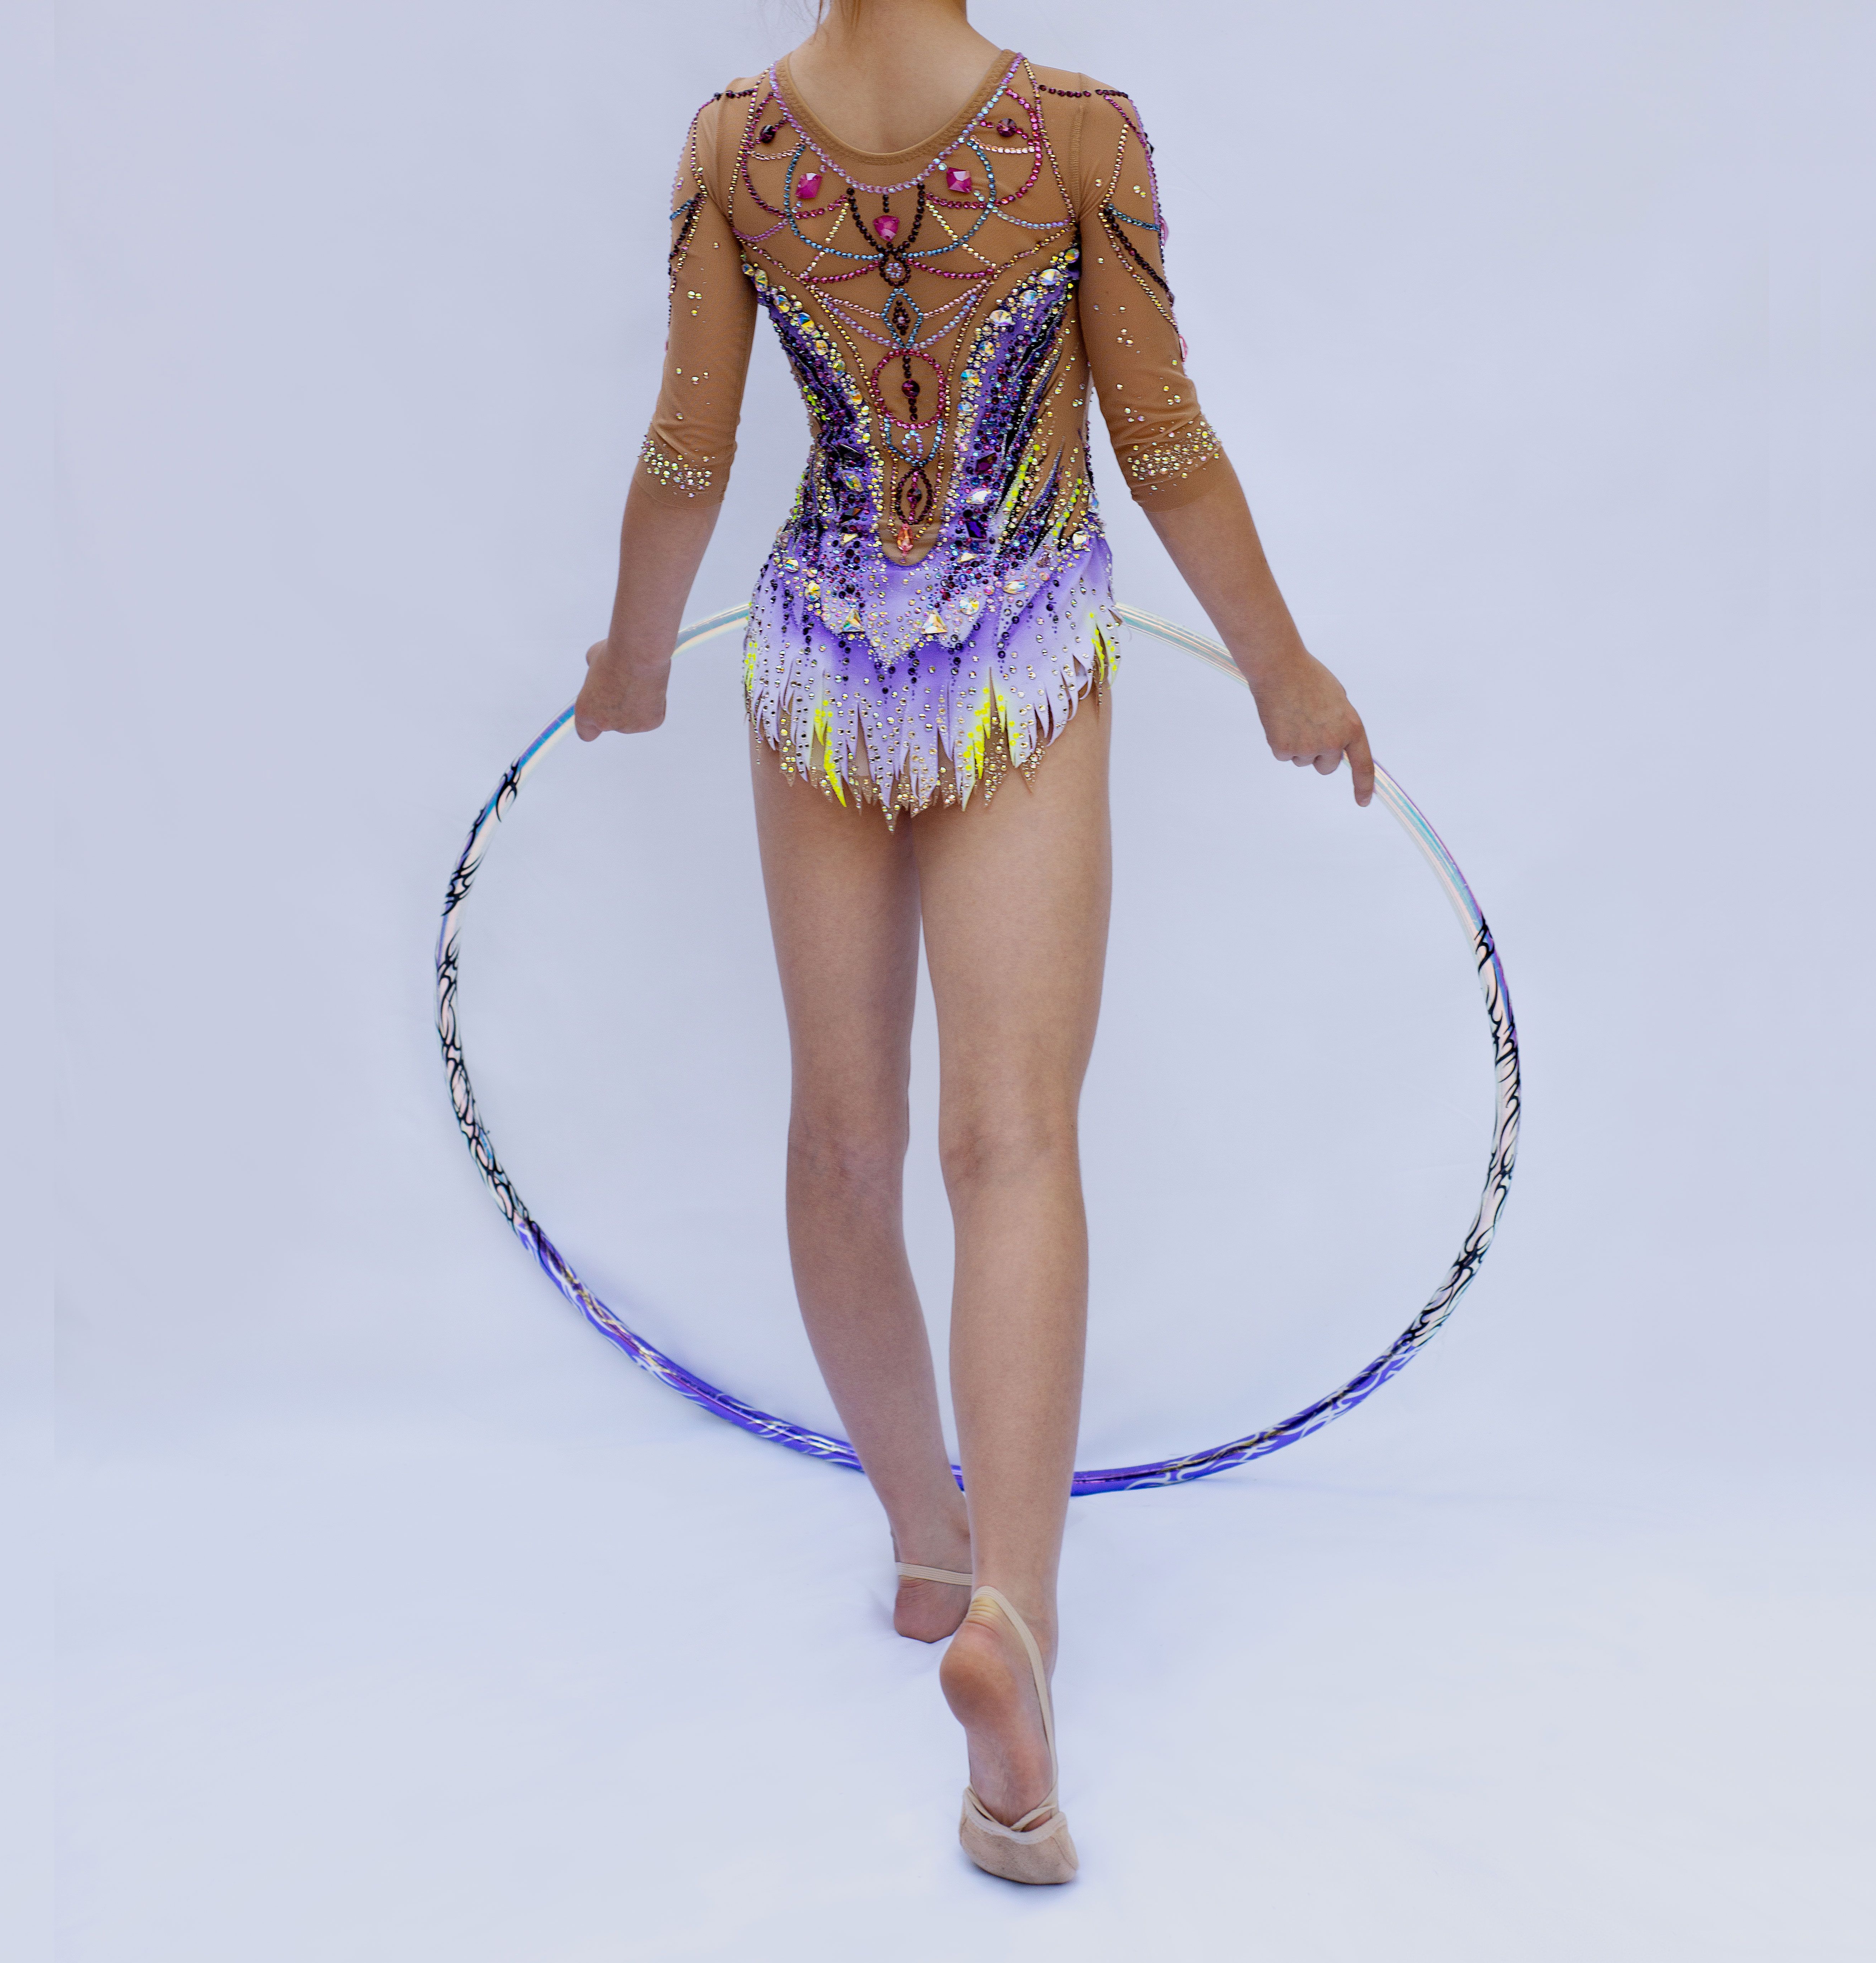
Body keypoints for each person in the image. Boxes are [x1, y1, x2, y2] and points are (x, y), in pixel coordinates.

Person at [573, 0, 1372, 1885]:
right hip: (1018, 650)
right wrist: (1285, 670)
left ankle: (928, 1548)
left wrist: (631, 660)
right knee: (1008, 1143)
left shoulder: (736, 144)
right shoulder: (1078, 131)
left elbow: (688, 456)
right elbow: (1161, 440)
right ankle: (1015, 1634)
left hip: (823, 657)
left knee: (842, 1141)